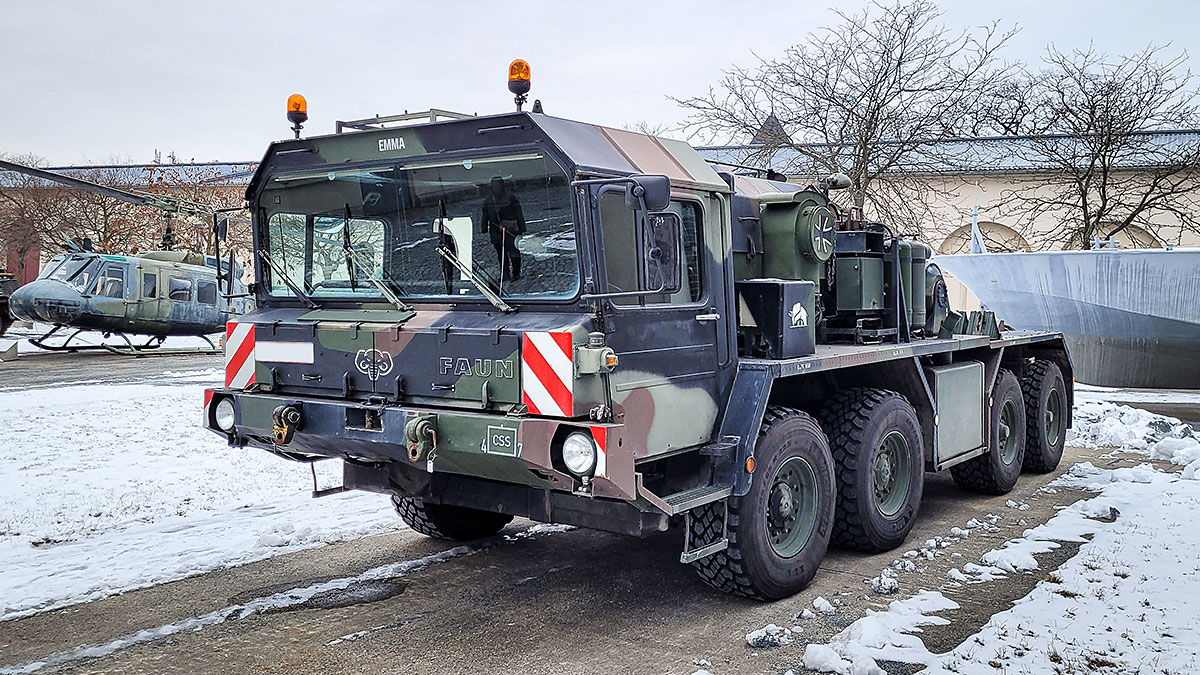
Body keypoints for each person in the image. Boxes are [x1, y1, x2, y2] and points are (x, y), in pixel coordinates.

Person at [480, 176, 525, 281]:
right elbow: (485, 214)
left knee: (513, 252)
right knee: (501, 254)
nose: (495, 188)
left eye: (497, 186)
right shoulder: (489, 200)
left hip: (511, 230)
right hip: (496, 231)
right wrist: (484, 227)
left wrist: (521, 228)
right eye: (493, 186)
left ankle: (516, 273)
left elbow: (519, 214)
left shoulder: (510, 198)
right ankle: (505, 274)